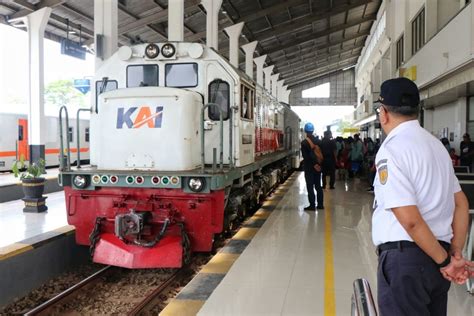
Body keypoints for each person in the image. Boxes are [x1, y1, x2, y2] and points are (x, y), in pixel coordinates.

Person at [372, 77, 470, 315]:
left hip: (406, 262)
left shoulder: (392, 149)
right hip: (438, 258)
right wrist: (453, 252)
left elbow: (410, 219)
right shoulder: (437, 146)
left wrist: (446, 262)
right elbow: (461, 203)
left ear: (383, 114)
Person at [301, 122, 324, 211]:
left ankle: (312, 205)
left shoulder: (304, 143)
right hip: (318, 167)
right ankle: (320, 204)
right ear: (313, 130)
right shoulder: (319, 141)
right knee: (318, 186)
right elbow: (322, 154)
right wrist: (318, 164)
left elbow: (305, 157)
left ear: (305, 131)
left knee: (310, 186)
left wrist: (313, 164)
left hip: (309, 168)